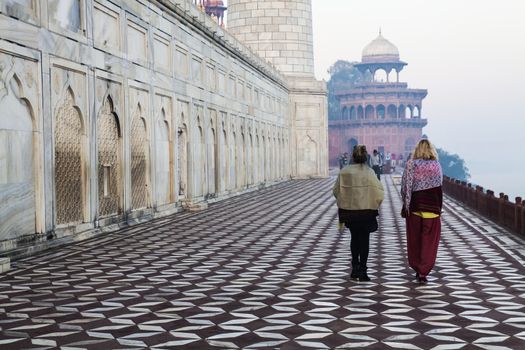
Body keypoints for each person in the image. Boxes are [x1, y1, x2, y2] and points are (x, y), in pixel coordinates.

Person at [333, 145, 384, 281]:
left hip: (350, 212)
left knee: (354, 238)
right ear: (365, 156)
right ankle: (363, 270)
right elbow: (379, 193)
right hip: (366, 212)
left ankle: (354, 268)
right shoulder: (370, 172)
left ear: (353, 156)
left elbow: (336, 191)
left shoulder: (345, 172)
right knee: (364, 240)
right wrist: (373, 204)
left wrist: (345, 202)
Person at [400, 139, 443, 283]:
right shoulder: (436, 165)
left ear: (417, 150)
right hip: (432, 210)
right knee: (429, 242)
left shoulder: (411, 164)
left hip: (415, 209)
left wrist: (405, 205)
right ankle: (424, 271)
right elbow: (439, 189)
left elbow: (405, 186)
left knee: (415, 241)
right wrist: (439, 208)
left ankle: (417, 267)